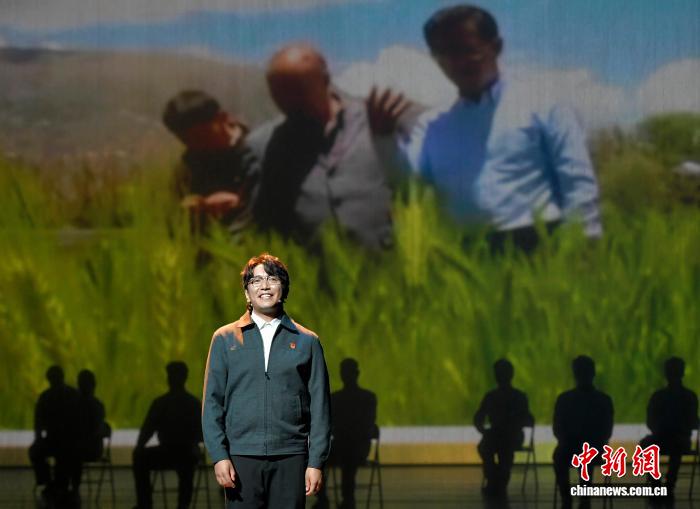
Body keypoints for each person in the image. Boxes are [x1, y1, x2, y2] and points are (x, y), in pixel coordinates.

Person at [379, 4, 602, 252]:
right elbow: (408, 186)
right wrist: (384, 138)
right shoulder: (433, 124)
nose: (458, 62)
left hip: (542, 244)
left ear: (496, 47)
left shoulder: (545, 103)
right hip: (469, 254)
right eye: (446, 53)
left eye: (468, 50)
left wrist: (585, 243)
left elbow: (577, 181)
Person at [202, 252, 331, 508]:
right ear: (247, 292)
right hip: (240, 457)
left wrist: (316, 461)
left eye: (272, 279)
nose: (264, 286)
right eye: (256, 280)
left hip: (291, 456)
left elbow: (320, 408)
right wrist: (219, 455)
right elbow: (212, 403)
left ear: (284, 288)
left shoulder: (307, 341)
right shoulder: (224, 339)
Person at [249, 44, 406, 249]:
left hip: (387, 263)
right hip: (310, 267)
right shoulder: (263, 145)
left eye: (298, 91)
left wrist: (386, 140)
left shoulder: (377, 122)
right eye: (280, 94)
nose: (290, 102)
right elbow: (260, 222)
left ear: (326, 80)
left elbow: (410, 188)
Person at [162, 90, 258, 233]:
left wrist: (240, 203)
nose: (198, 146)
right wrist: (192, 208)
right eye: (187, 141)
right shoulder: (190, 163)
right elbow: (172, 213)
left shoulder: (258, 148)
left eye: (201, 136)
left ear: (223, 118)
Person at [132, 361, 202, 509]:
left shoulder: (161, 403)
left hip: (166, 453)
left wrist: (139, 447)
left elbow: (147, 430)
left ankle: (144, 504)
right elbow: (202, 433)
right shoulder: (194, 403)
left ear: (169, 378)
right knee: (187, 467)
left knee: (139, 457)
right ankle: (183, 505)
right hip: (187, 453)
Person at [315, 358, 377, 509]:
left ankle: (326, 499)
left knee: (328, 458)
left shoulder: (336, 399)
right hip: (354, 447)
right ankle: (346, 499)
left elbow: (330, 426)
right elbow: (368, 425)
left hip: (350, 447)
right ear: (357, 373)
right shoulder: (368, 398)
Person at [553, 356, 614, 509]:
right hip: (590, 446)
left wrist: (567, 440)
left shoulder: (564, 399)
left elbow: (558, 428)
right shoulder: (603, 400)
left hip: (575, 446)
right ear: (594, 373)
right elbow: (607, 431)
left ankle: (567, 498)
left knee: (563, 455)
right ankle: (583, 498)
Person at [639, 357, 699, 496]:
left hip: (665, 438)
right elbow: (693, 422)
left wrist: (661, 429)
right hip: (679, 439)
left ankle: (656, 483)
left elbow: (650, 422)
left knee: (647, 445)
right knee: (674, 446)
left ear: (665, 374)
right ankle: (669, 483)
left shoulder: (658, 396)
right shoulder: (689, 396)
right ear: (683, 373)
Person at [474, 358, 532, 497]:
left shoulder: (492, 396)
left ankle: (494, 480)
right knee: (499, 451)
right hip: (509, 435)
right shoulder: (518, 396)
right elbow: (527, 419)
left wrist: (484, 431)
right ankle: (498, 481)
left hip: (507, 435)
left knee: (490, 449)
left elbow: (478, 417)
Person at [29, 365, 81, 507]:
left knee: (36, 452)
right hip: (68, 441)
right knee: (39, 452)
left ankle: (49, 484)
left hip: (63, 441)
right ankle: (56, 485)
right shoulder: (73, 394)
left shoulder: (46, 397)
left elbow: (38, 424)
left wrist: (39, 440)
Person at [72, 369, 107, 491]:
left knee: (70, 453)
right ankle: (71, 488)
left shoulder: (76, 404)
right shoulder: (97, 404)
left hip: (87, 449)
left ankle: (69, 488)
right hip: (94, 448)